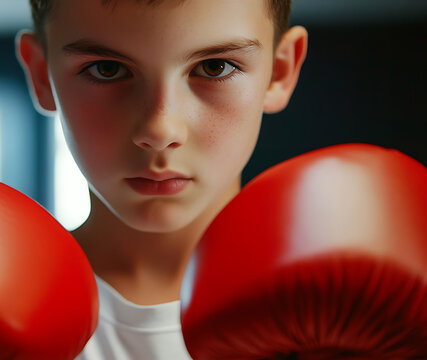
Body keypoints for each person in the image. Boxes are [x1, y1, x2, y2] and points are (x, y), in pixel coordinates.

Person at [17, 0, 308, 358]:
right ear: (42, 75)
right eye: (107, 69)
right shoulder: (5, 307)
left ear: (279, 73)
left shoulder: (326, 308)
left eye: (214, 67)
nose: (160, 130)